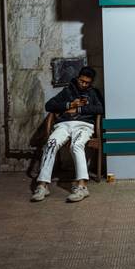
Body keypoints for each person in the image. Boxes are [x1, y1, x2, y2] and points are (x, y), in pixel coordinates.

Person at [31, 66, 104, 203]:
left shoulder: (93, 93)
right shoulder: (68, 90)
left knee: (76, 146)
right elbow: (49, 105)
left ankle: (82, 187)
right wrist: (69, 104)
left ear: (91, 82)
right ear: (78, 78)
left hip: (83, 125)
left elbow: (100, 108)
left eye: (87, 82)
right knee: (51, 144)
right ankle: (42, 185)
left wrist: (79, 108)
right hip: (63, 125)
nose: (83, 84)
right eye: (81, 81)